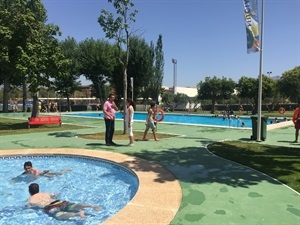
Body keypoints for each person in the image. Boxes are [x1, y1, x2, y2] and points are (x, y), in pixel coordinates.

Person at [27, 183, 101, 220]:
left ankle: (78, 214)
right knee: (75, 205)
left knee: (59, 215)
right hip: (59, 202)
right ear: (38, 189)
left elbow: (29, 207)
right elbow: (55, 195)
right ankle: (92, 206)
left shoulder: (30, 199)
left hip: (50, 207)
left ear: (30, 192)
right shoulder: (46, 193)